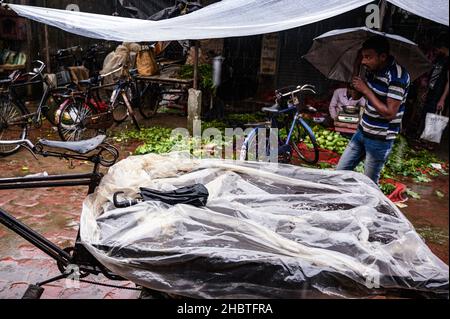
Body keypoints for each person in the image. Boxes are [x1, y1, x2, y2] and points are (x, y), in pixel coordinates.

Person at [336, 35, 411, 185]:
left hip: (379, 140)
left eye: (368, 57)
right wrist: (357, 68)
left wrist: (366, 90)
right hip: (362, 132)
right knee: (339, 173)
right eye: (363, 57)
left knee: (369, 185)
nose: (364, 61)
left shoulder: (398, 77)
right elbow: (356, 96)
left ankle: (373, 208)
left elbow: (390, 113)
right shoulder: (372, 69)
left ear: (382, 56)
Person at [417, 33, 449, 148]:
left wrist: (442, 99)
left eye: (439, 48)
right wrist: (426, 91)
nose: (437, 50)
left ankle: (430, 143)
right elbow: (433, 75)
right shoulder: (439, 58)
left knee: (434, 117)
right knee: (426, 114)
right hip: (432, 90)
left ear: (444, 47)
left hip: (439, 93)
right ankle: (423, 141)